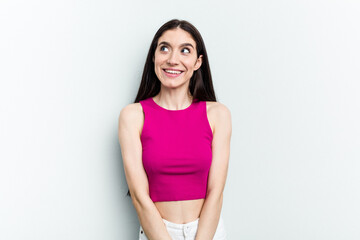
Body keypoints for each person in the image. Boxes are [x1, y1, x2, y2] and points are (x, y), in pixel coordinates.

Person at [118, 19, 232, 240]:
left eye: (185, 51)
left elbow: (215, 192)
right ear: (154, 57)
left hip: (208, 232)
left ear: (198, 62)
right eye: (164, 48)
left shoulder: (218, 114)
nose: (173, 59)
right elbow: (140, 198)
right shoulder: (133, 116)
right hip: (157, 232)